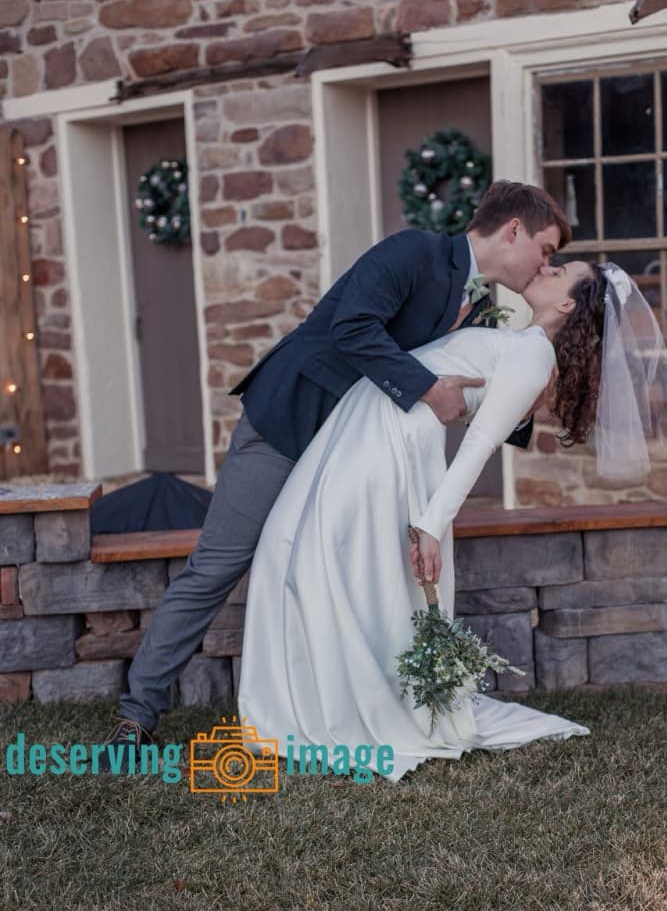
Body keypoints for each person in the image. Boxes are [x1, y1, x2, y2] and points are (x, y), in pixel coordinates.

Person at [100, 180, 571, 768]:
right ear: (513, 230)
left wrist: (544, 412)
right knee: (219, 565)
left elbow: (470, 384)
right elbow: (354, 327)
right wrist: (426, 390)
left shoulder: (475, 303)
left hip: (353, 458)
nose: (545, 264)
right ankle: (136, 715)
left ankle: (332, 707)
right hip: (292, 424)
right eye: (546, 250)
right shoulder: (414, 252)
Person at [237, 260, 665, 782]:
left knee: (312, 559)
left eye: (560, 269)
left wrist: (430, 525)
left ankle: (337, 708)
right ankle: (309, 702)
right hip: (365, 426)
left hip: (389, 444)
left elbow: (480, 447)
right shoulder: (519, 339)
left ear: (569, 304)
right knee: (294, 550)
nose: (546, 266)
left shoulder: (534, 356)